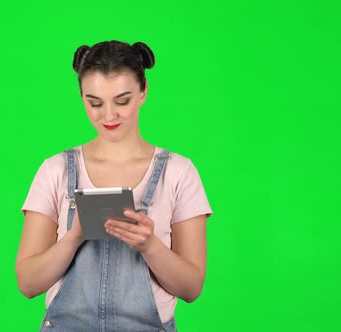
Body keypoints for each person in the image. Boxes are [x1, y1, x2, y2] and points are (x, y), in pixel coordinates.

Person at [15, 40, 213, 332]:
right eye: (94, 103)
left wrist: (150, 246)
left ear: (144, 91)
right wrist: (74, 237)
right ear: (81, 96)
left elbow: (191, 288)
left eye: (122, 101)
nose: (108, 116)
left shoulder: (178, 173)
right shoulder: (55, 170)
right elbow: (28, 283)